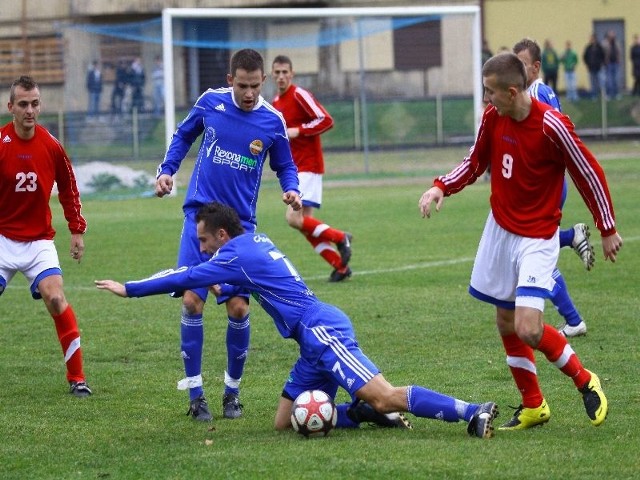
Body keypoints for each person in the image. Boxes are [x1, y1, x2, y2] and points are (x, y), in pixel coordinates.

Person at [95, 201, 498, 439]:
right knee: (283, 423)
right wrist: (221, 286)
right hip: (309, 340)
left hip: (322, 329)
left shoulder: (232, 256)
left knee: (385, 393)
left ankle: (471, 410)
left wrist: (129, 288)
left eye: (202, 240)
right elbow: (248, 283)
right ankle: (360, 413)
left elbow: (184, 276)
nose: (200, 248)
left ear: (220, 235)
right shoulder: (253, 241)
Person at [418, 52, 623, 430]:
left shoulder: (552, 126)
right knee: (505, 321)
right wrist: (440, 187)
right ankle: (533, 405)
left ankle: (585, 380)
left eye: (490, 92)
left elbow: (588, 172)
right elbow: (475, 161)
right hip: (500, 230)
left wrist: (607, 226)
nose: (486, 100)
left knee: (528, 327)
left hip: (537, 237)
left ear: (512, 92)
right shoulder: (493, 118)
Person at [155, 49, 302, 422]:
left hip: (238, 229)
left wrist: (291, 188)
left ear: (263, 81)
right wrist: (167, 170)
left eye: (254, 86)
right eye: (242, 86)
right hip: (199, 220)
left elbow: (285, 164)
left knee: (238, 307)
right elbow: (183, 135)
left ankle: (232, 394)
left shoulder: (272, 121)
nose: (248, 93)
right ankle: (195, 396)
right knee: (192, 301)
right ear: (229, 79)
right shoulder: (210, 103)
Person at [0, 76, 92, 398]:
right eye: (23, 104)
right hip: (2, 239)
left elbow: (69, 189)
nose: (29, 110)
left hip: (39, 241)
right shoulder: (0, 143)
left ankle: (77, 379)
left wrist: (76, 230)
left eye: (35, 104)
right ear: (10, 107)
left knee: (55, 298)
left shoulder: (51, 146)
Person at [513, 38, 593, 337]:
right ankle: (573, 320)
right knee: (528, 249)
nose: (517, 69)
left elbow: (555, 137)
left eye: (521, 63)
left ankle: (573, 320)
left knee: (530, 250)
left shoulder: (539, 93)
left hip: (545, 185)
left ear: (535, 67)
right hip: (536, 185)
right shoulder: (529, 93)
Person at [271, 55, 352, 282]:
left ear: (292, 73)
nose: (281, 77)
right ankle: (340, 267)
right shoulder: (276, 102)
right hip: (295, 168)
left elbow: (325, 120)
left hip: (308, 165)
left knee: (292, 218)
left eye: (285, 72)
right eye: (276, 73)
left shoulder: (299, 94)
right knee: (304, 224)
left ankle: (340, 236)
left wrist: (299, 130)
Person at [583, 34, 605, 100]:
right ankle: (594, 95)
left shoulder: (599, 47)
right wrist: (587, 64)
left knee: (600, 82)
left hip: (598, 67)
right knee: (592, 82)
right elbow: (585, 57)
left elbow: (603, 55)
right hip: (591, 68)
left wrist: (601, 63)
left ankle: (602, 94)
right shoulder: (588, 48)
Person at [603, 30, 622, 100]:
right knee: (609, 80)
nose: (612, 36)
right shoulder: (605, 43)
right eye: (610, 35)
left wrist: (619, 59)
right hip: (608, 64)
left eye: (613, 35)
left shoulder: (617, 43)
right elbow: (603, 52)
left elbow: (619, 52)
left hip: (616, 63)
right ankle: (609, 94)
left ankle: (616, 94)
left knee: (616, 79)